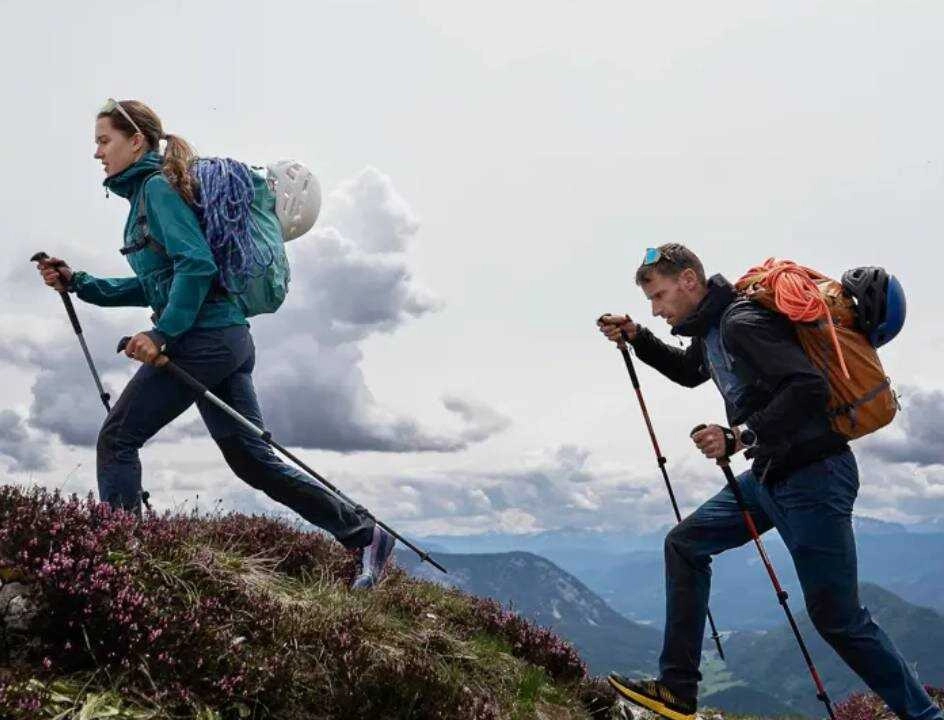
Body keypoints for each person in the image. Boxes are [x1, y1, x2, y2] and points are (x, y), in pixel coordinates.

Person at [36, 98, 394, 590]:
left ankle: (120, 569)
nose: (97, 153)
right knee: (252, 460)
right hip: (227, 339)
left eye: (104, 141)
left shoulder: (156, 190)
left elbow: (197, 265)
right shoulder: (149, 196)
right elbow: (158, 283)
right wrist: (80, 283)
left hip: (203, 340)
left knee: (118, 440)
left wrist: (162, 333)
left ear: (136, 141)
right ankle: (365, 535)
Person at [597, 243, 942, 720]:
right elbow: (691, 372)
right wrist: (638, 338)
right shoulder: (713, 328)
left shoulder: (741, 322)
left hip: (815, 478)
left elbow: (807, 387)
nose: (656, 309)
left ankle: (925, 717)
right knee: (684, 544)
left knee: (839, 620)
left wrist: (739, 436)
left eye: (658, 296)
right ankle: (677, 690)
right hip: (770, 475)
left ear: (689, 281)